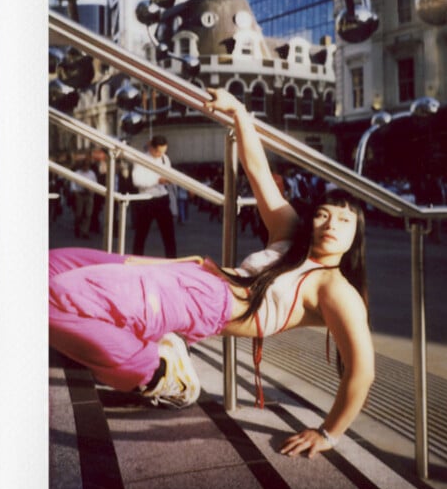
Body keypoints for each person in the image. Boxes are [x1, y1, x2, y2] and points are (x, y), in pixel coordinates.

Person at [49, 88, 374, 458]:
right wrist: (239, 111)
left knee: (57, 297)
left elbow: (361, 371)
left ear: (357, 235)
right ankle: (156, 359)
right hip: (189, 273)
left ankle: (161, 374)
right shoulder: (290, 235)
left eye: (345, 220)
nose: (331, 224)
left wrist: (328, 434)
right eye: (324, 214)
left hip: (200, 302)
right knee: (54, 265)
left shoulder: (336, 289)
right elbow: (258, 171)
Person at [131, 134, 177, 258]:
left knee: (169, 235)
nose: (160, 155)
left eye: (163, 151)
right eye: (158, 152)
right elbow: (137, 181)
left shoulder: (165, 158)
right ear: (151, 148)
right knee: (141, 235)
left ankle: (172, 260)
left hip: (162, 198)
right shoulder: (141, 159)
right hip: (147, 200)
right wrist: (157, 180)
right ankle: (136, 259)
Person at [70, 157, 97, 238]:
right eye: (84, 165)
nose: (86, 167)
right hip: (80, 194)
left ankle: (85, 231)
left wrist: (92, 190)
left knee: (88, 214)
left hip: (89, 194)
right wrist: (75, 192)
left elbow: (95, 183)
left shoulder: (92, 174)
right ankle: (77, 227)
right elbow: (73, 184)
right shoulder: (77, 173)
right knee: (79, 214)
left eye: (87, 165)